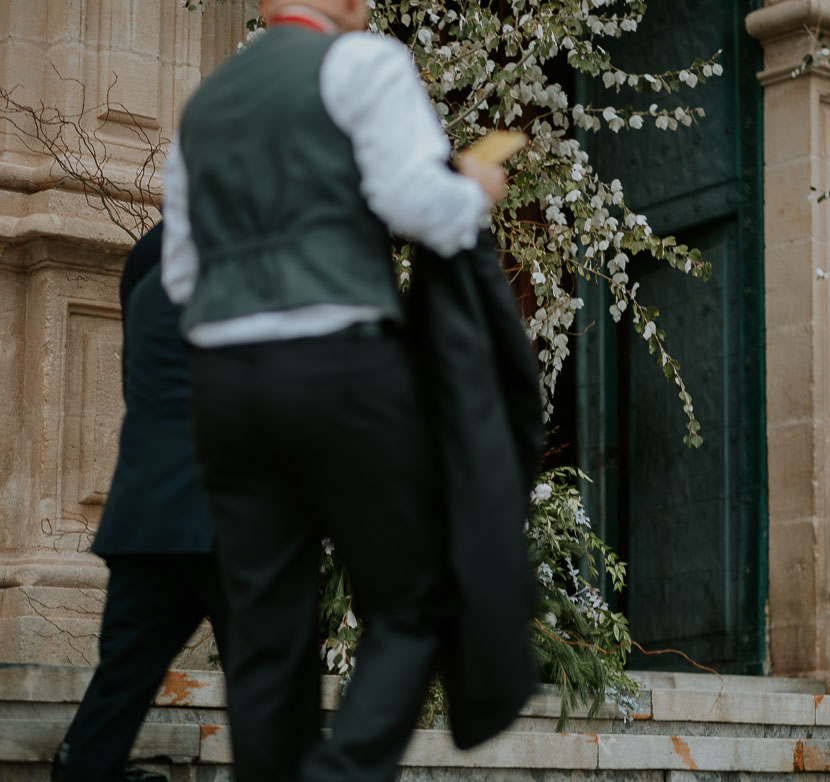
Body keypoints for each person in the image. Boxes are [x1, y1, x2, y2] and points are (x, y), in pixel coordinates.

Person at [160, 1, 510, 779]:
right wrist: (474, 188)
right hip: (340, 365)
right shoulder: (364, 64)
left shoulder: (204, 105)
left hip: (223, 383)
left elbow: (182, 275)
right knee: (410, 598)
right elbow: (415, 205)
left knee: (263, 629)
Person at [52, 222, 230, 782]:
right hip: (236, 510)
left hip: (149, 505)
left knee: (118, 688)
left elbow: (140, 379)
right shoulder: (274, 240)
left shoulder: (153, 251)